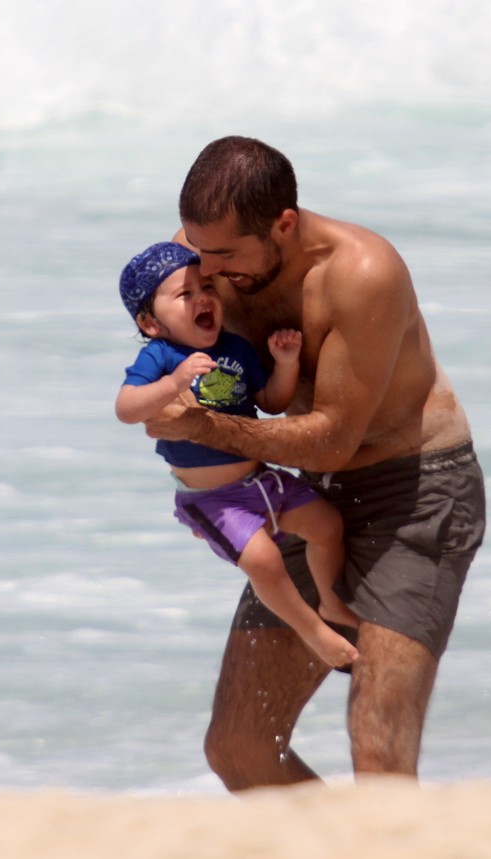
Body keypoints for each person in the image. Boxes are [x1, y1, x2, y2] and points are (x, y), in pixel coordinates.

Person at [144, 136, 486, 789]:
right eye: (196, 247)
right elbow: (217, 389)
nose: (204, 269)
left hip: (415, 492)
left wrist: (207, 425)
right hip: (304, 494)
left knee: (379, 753)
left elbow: (332, 435)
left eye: (224, 253)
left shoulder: (361, 273)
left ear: (285, 224)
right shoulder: (200, 258)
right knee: (240, 747)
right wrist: (203, 478)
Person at [115, 242, 361, 670]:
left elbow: (271, 401)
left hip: (261, 482)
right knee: (264, 562)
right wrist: (173, 384)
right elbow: (126, 408)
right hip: (211, 500)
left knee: (327, 524)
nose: (202, 299)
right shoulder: (160, 356)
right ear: (151, 323)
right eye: (184, 295)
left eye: (206, 287)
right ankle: (313, 632)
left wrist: (285, 363)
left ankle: (330, 601)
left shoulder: (237, 348)